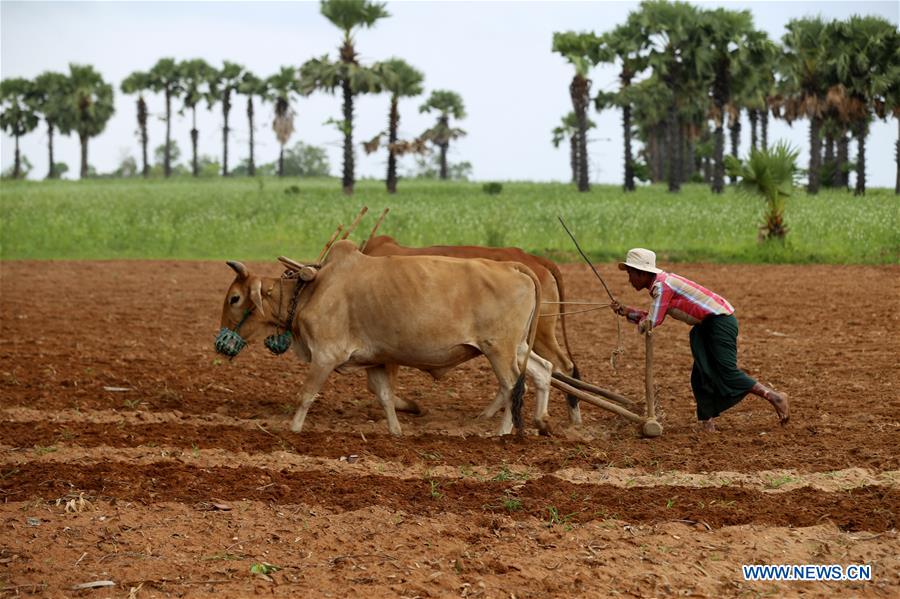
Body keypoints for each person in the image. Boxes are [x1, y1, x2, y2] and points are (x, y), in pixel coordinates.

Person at [610, 248, 789, 432]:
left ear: (643, 273)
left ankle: (774, 396)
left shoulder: (662, 286)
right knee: (700, 375)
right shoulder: (661, 285)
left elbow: (653, 321)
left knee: (728, 373)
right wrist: (627, 312)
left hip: (719, 323)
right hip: (706, 326)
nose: (629, 279)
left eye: (631, 273)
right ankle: (707, 422)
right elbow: (654, 315)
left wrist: (640, 324)